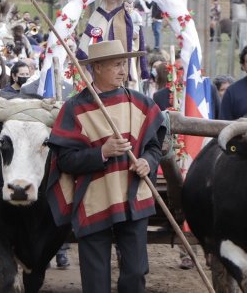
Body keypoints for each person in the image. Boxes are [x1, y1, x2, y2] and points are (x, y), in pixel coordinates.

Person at [47, 40, 166, 292]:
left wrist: (147, 161)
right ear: (97, 68)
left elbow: (155, 147)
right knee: (95, 280)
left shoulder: (140, 103)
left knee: (135, 274)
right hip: (94, 200)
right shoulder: (75, 108)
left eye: (124, 64)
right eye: (116, 65)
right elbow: (65, 160)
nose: (123, 70)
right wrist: (101, 152)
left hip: (134, 197)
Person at [79, 0, 149, 91]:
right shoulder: (97, 15)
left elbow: (136, 37)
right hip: (100, 60)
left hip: (121, 59)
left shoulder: (125, 15)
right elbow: (87, 40)